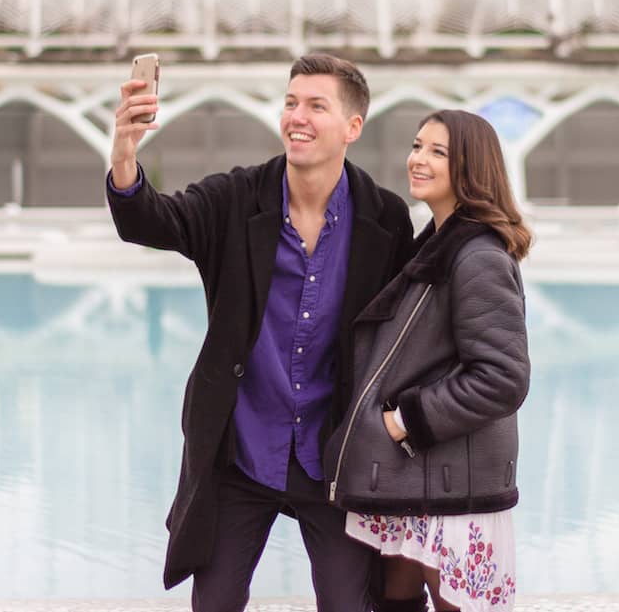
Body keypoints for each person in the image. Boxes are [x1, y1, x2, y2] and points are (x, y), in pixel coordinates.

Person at [106, 53, 414, 611]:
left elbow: (409, 335)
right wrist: (125, 153)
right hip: (241, 451)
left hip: (333, 458)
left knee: (350, 604)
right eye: (291, 102)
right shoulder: (233, 199)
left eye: (316, 105)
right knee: (216, 603)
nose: (297, 116)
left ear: (352, 127)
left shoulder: (386, 219)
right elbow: (148, 220)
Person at [325, 110, 531, 612]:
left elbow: (503, 378)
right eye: (417, 146)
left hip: (449, 485)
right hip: (421, 480)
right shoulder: (435, 247)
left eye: (437, 152)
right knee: (397, 598)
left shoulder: (476, 255)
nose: (417, 159)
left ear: (471, 168)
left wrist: (405, 421)